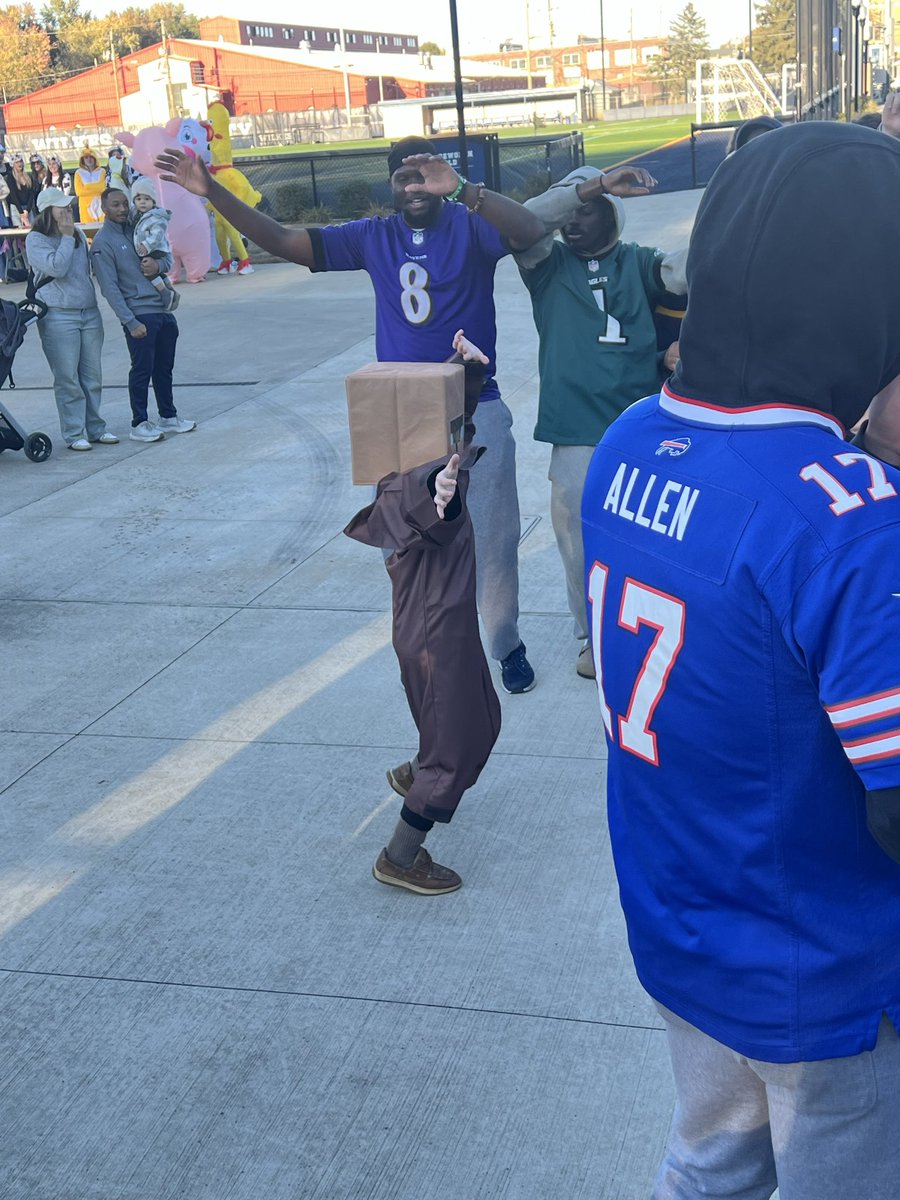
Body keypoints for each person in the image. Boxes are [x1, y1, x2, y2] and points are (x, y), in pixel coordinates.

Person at [581, 121, 900, 1200]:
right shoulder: (851, 519)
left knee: (710, 1161)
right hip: (826, 975)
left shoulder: (629, 438)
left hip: (683, 924)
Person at [156, 136, 545, 695]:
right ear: (390, 185)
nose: (415, 186)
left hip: (474, 402)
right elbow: (286, 242)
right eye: (403, 177)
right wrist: (211, 190)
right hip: (400, 407)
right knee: (401, 538)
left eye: (425, 175)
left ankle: (505, 644)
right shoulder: (373, 235)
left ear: (442, 178)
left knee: (493, 536)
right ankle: (425, 647)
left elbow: (530, 230)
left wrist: (464, 189)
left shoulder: (470, 222)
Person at [514, 164, 686, 678]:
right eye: (568, 208)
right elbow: (526, 220)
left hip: (639, 426)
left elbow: (693, 268)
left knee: (648, 536)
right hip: (575, 428)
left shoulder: (639, 261)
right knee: (578, 543)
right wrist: (590, 187)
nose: (572, 219)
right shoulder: (545, 265)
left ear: (613, 215)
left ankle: (652, 627)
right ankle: (592, 634)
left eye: (587, 210)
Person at [345, 331, 501, 894]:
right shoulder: (414, 490)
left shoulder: (418, 456)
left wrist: (466, 371)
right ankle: (400, 855)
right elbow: (432, 507)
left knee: (482, 722)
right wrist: (442, 495)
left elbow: (444, 424)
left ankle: (416, 770)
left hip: (448, 630)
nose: (461, 438)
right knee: (452, 754)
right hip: (434, 639)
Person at [91, 188, 196, 443]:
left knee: (164, 369)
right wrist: (130, 321)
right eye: (115, 205)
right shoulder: (103, 242)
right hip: (140, 314)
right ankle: (139, 423)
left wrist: (158, 265)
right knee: (142, 370)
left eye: (124, 203)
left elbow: (166, 258)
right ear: (104, 208)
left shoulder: (141, 227)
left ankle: (168, 416)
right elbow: (109, 287)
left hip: (163, 310)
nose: (122, 209)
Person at [26, 187, 117, 450]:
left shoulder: (76, 233)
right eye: (61, 207)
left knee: (92, 376)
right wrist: (66, 237)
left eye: (68, 206)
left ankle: (96, 428)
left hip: (88, 311)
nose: (68, 210)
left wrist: (70, 235)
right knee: (67, 377)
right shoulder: (36, 239)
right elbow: (57, 267)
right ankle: (74, 432)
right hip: (57, 315)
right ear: (47, 211)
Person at [130, 177, 179, 312]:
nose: (142, 202)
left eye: (147, 199)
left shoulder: (156, 216)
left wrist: (147, 245)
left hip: (154, 249)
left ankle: (164, 292)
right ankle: (170, 289)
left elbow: (157, 234)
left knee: (148, 271)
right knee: (158, 273)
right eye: (139, 199)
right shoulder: (138, 214)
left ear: (153, 201)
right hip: (150, 248)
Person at [74, 150, 106, 223]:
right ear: (82, 160)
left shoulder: (102, 171)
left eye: (91, 157)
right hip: (85, 206)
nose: (89, 160)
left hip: (100, 204)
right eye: (86, 157)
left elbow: (103, 188)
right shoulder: (78, 173)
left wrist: (87, 187)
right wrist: (96, 187)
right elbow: (79, 192)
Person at [7, 154, 35, 227]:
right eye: (17, 162)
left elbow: (31, 194)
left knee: (32, 229)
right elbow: (13, 195)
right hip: (16, 208)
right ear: (13, 164)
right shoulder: (10, 177)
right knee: (19, 230)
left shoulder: (28, 176)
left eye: (21, 161)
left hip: (27, 208)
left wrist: (27, 210)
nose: (20, 164)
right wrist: (21, 213)